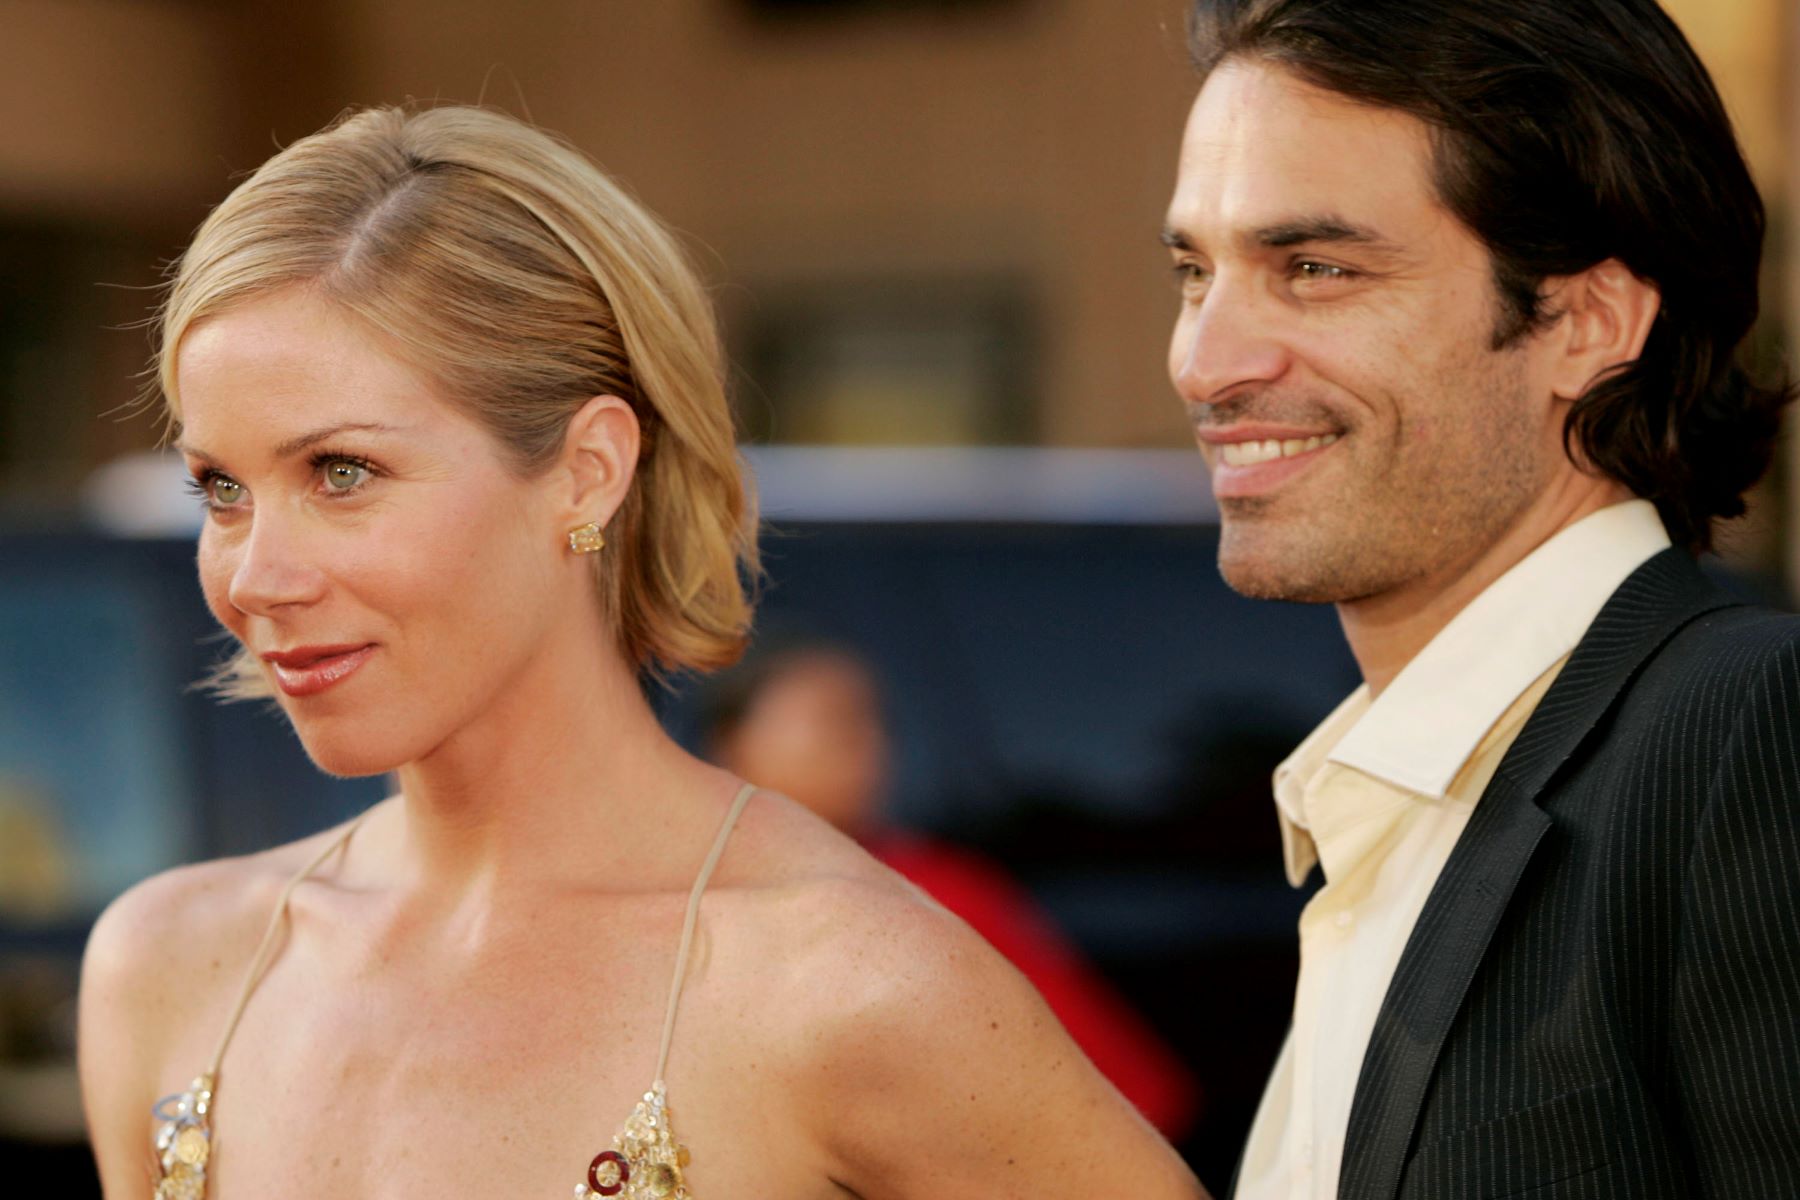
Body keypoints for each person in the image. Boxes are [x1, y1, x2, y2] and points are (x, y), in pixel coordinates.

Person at [76, 105, 1205, 1200]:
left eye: (341, 473)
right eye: (221, 489)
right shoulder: (174, 967)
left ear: (587, 471)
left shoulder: (844, 985)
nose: (256, 576)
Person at [1162, 2, 1799, 1197]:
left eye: (1315, 269)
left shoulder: (1749, 734)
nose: (1206, 360)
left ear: (1586, 321)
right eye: (1196, 271)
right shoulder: (1395, 811)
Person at [699, 634, 1201, 1138]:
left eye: (877, 723)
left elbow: (1130, 1093)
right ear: (728, 742)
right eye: (836, 723)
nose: (872, 746)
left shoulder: (940, 892)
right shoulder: (673, 901)